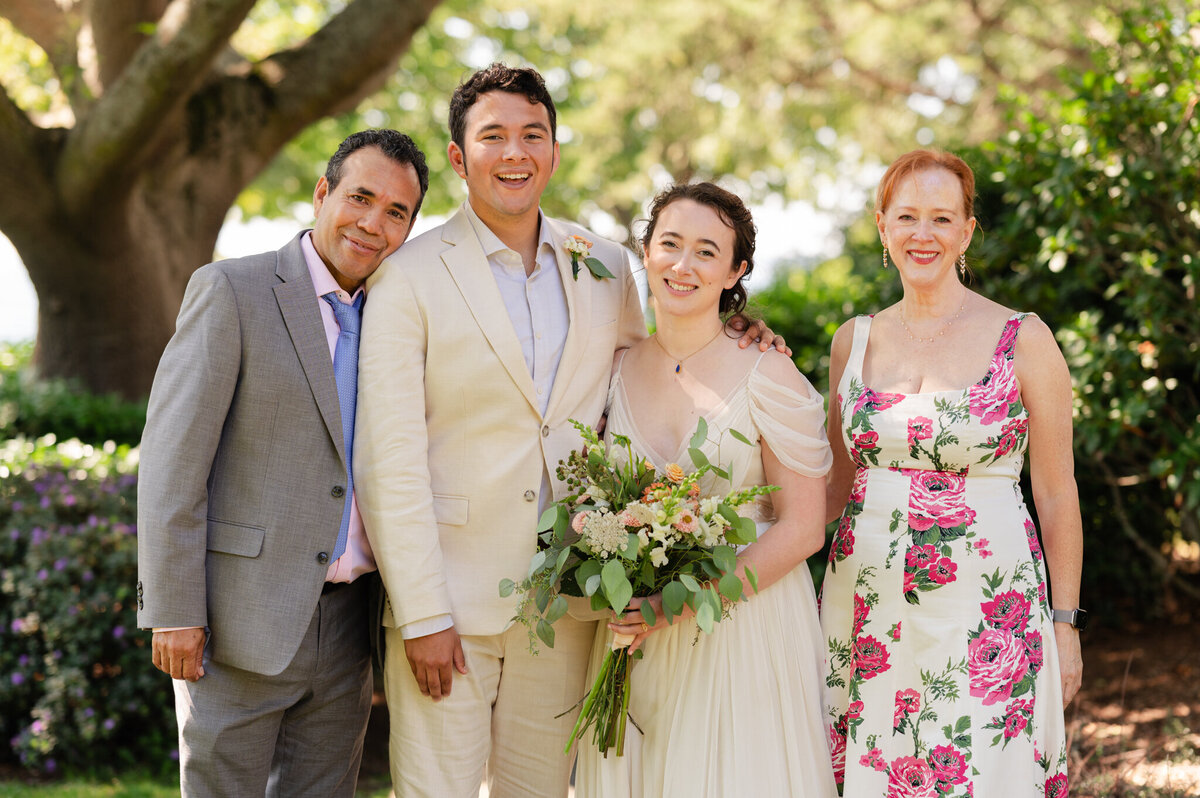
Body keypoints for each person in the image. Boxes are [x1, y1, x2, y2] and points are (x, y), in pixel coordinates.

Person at [354, 65, 784, 798]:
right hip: (450, 603)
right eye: (492, 136)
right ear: (458, 156)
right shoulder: (408, 275)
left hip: (569, 597)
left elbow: (649, 376)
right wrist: (421, 614)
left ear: (553, 152)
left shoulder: (605, 265)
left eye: (532, 135)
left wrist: (738, 331)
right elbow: (387, 457)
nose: (514, 152)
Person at [135, 129, 429, 797]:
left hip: (351, 627)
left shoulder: (397, 314)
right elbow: (173, 463)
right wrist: (174, 610)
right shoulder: (231, 291)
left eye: (396, 212)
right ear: (323, 193)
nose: (373, 224)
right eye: (360, 198)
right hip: (238, 621)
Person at [819, 149, 1084, 797]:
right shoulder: (851, 341)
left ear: (966, 232)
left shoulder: (1025, 338)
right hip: (865, 604)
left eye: (941, 218)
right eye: (907, 216)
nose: (923, 233)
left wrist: (1065, 623)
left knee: (986, 767)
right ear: (882, 227)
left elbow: (1056, 493)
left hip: (987, 608)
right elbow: (831, 488)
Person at [574, 183, 839, 798]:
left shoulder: (768, 370)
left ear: (735, 271)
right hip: (636, 638)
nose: (682, 264)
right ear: (646, 252)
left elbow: (804, 528)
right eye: (669, 244)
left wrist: (680, 605)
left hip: (742, 629)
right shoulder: (613, 369)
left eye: (706, 251)